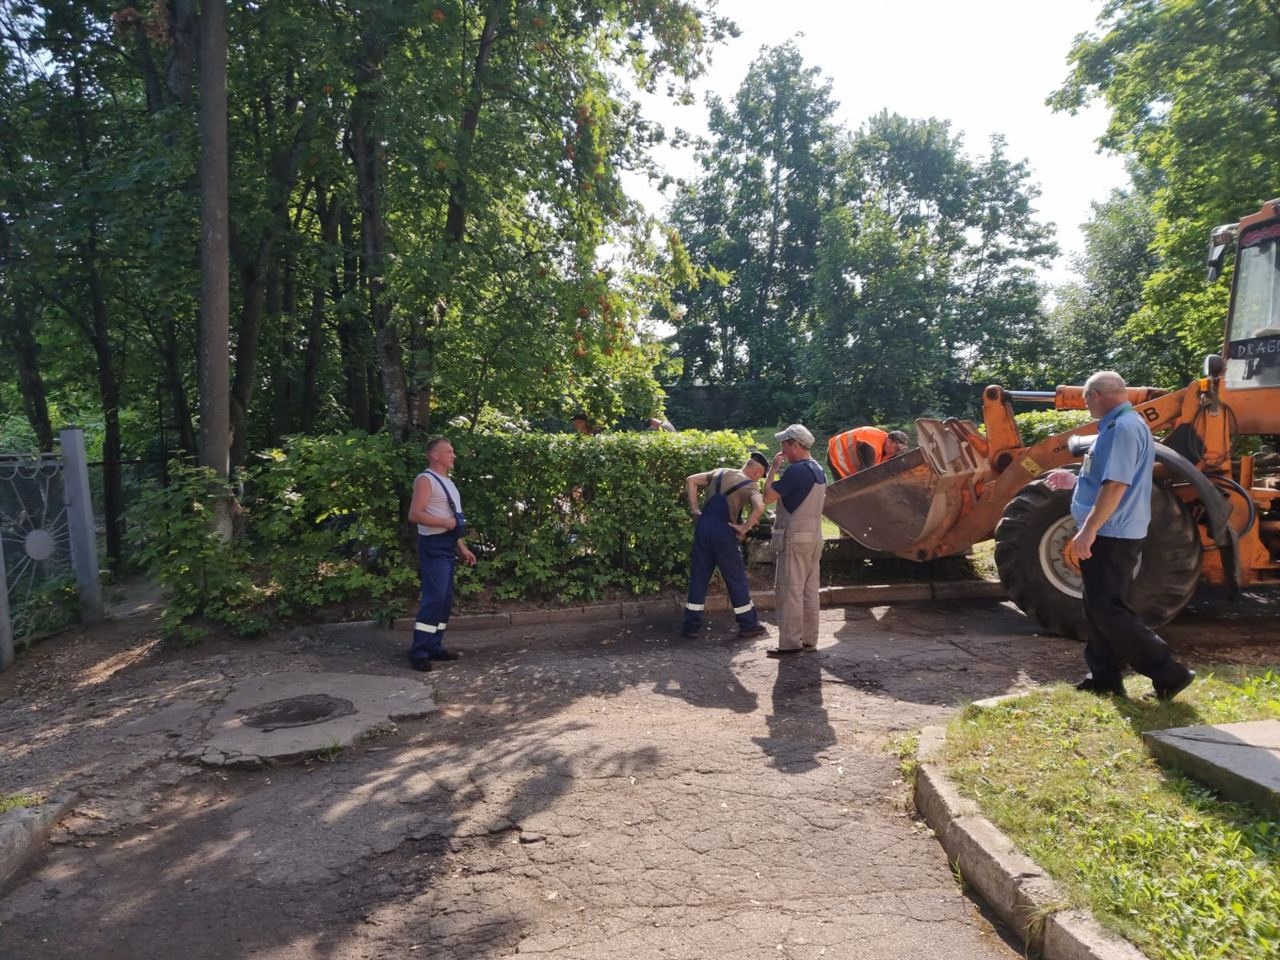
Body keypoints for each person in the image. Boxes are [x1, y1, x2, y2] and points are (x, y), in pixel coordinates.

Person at [1043, 371, 1195, 700]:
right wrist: (1074, 483)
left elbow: (1117, 485)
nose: (1086, 407)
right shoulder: (1117, 426)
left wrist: (1088, 531)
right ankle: (1105, 676)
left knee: (1109, 610)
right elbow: (1106, 476)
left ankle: (1170, 672)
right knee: (1098, 607)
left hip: (1112, 533)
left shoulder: (1124, 428)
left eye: (1086, 400)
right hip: (1111, 530)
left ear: (1098, 396)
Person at [406, 436, 477, 671]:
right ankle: (419, 652)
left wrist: (462, 547)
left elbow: (452, 521)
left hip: (447, 545)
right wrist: (444, 523)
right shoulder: (426, 480)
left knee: (445, 601)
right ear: (435, 455)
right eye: (448, 451)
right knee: (434, 598)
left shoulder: (448, 482)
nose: (453, 455)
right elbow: (415, 514)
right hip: (433, 545)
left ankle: (434, 646)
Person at [682, 452, 770, 639]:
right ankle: (748, 624)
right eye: (760, 476)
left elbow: (691, 480)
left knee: (699, 576)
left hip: (703, 528)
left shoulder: (720, 472)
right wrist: (745, 527)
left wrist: (695, 510)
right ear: (757, 472)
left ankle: (691, 627)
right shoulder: (750, 485)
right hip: (724, 531)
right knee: (735, 577)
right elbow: (760, 507)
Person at [763, 424, 827, 657]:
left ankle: (790, 643)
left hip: (795, 538)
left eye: (784, 445)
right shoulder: (818, 469)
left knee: (790, 590)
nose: (782, 450)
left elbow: (767, 497)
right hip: (814, 537)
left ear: (795, 445)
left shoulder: (797, 471)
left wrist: (773, 468)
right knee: (810, 591)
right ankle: (809, 639)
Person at [827, 427, 910, 481]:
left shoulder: (888, 449)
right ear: (889, 441)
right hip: (836, 453)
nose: (895, 453)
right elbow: (868, 474)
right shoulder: (871, 447)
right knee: (844, 488)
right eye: (896, 449)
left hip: (849, 458)